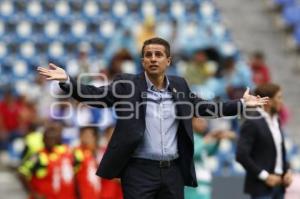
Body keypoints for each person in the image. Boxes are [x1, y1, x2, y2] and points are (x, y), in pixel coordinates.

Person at [37, 37, 268, 199]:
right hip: (138, 170)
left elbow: (203, 107)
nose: (153, 58)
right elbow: (98, 96)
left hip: (173, 170)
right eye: (148, 55)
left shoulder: (179, 85)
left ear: (168, 61)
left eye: (159, 55)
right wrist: (68, 81)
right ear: (143, 61)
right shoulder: (126, 84)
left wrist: (239, 105)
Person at [236, 83, 293, 199]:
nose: (282, 102)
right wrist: (264, 176)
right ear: (268, 101)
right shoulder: (252, 122)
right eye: (279, 98)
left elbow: (279, 152)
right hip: (261, 188)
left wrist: (287, 171)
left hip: (279, 185)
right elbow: (241, 155)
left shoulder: (276, 121)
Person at [184, 117, 236, 199]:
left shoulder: (200, 138)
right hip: (193, 184)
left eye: (204, 121)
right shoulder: (188, 137)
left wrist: (218, 140)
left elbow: (209, 152)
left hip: (204, 181)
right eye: (200, 121)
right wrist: (207, 139)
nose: (204, 124)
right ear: (191, 122)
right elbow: (191, 152)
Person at [73, 126, 102, 199]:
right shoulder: (77, 153)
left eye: (89, 136)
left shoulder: (99, 153)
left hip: (98, 194)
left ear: (95, 138)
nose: (86, 138)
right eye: (84, 135)